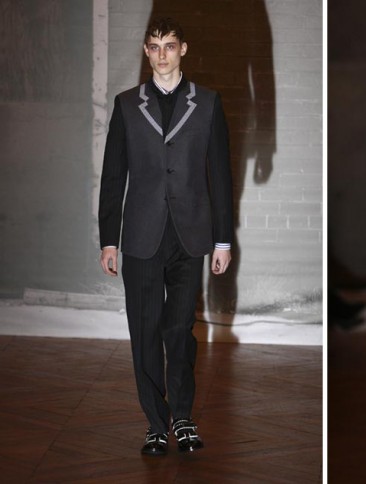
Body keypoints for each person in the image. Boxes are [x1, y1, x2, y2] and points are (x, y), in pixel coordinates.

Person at [98, 17, 233, 456]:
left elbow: (221, 176)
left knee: (179, 330)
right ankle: (156, 424)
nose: (162, 55)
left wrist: (223, 240)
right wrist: (108, 240)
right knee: (144, 331)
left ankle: (183, 418)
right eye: (154, 47)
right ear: (146, 51)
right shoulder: (126, 104)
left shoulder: (207, 103)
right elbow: (113, 176)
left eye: (169, 46)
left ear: (183, 49)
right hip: (141, 235)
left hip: (189, 236)